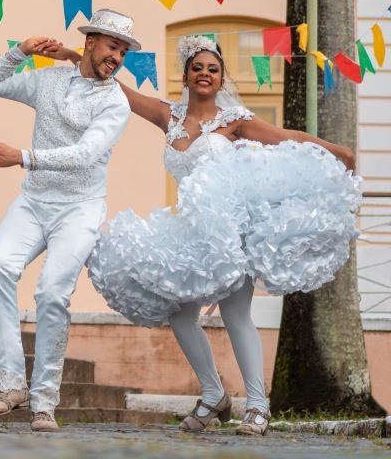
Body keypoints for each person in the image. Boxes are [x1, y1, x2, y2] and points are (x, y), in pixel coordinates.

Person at [47, 34, 359, 436]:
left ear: (221, 77)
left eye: (213, 69)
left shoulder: (236, 121)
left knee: (235, 313)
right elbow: (118, 90)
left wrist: (337, 151)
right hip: (191, 230)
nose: (205, 74)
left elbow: (289, 138)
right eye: (198, 68)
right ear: (187, 75)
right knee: (179, 313)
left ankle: (259, 409)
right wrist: (76, 56)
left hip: (231, 230)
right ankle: (214, 395)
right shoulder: (168, 116)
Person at [0, 9, 140, 432]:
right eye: (112, 46)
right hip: (34, 202)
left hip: (80, 208)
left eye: (122, 51)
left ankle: (44, 401)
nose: (117, 57)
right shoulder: (47, 80)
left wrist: (21, 157)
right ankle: (10, 385)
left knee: (50, 294)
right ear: (89, 42)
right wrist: (20, 51)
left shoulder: (115, 101)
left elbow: (85, 154)